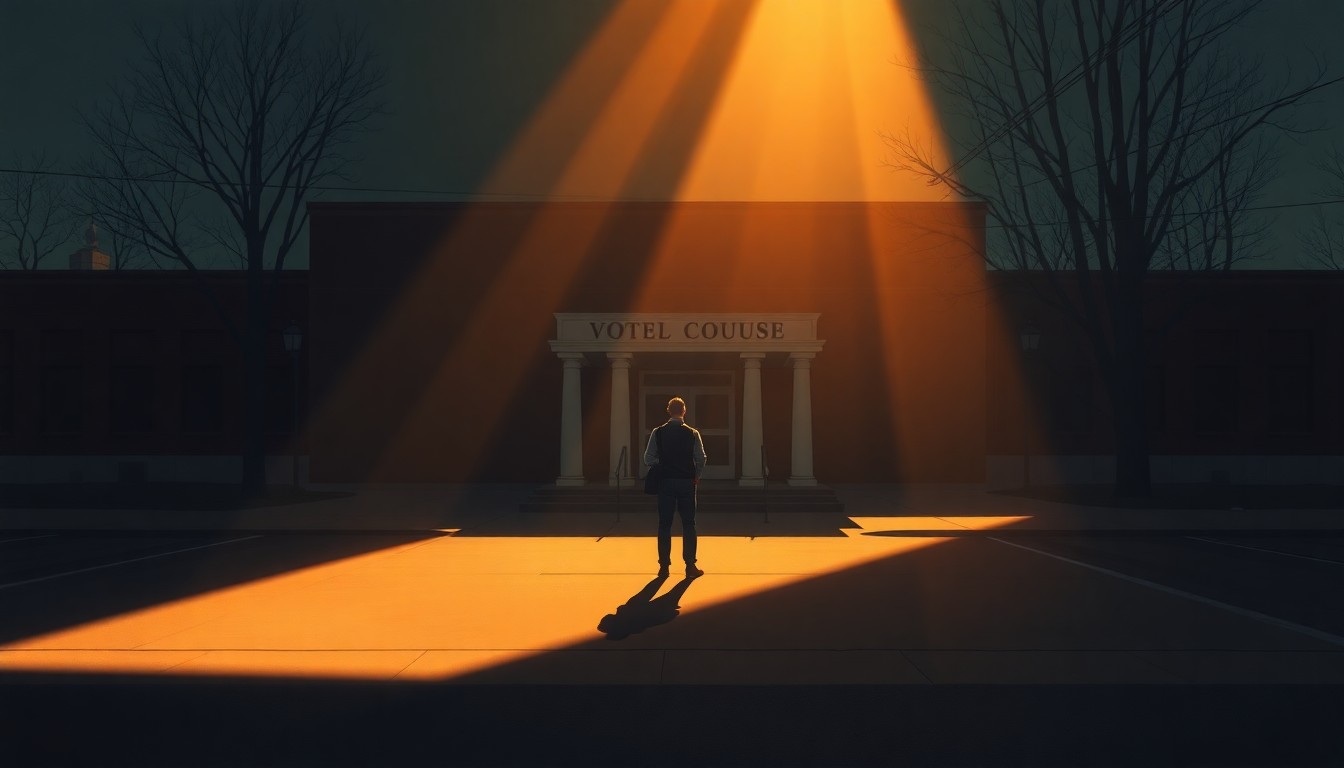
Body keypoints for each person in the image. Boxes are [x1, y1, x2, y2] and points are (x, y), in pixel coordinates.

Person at [644, 396, 706, 578]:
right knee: (689, 524)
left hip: (666, 482)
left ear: (668, 411)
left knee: (664, 524)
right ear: (684, 411)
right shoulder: (692, 433)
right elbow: (701, 458)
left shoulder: (658, 432)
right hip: (686, 482)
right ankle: (690, 566)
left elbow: (648, 459)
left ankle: (664, 567)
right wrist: (696, 477)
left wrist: (663, 464)